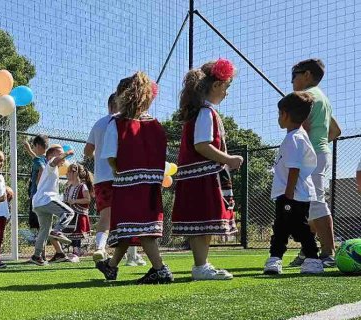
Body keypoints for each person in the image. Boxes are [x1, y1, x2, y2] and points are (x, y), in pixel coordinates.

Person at [96, 72, 173, 284]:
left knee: (138, 227)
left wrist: (117, 170)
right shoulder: (155, 125)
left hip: (127, 183)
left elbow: (111, 155)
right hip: (151, 184)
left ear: (123, 96)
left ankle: (160, 269)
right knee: (128, 227)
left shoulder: (118, 123)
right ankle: (111, 266)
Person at [171, 59, 245, 281]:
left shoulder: (199, 113)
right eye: (226, 87)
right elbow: (202, 145)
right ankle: (200, 266)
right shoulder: (205, 113)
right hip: (202, 177)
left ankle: (201, 264)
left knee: (201, 224)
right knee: (203, 223)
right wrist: (228, 159)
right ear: (215, 86)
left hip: (197, 176)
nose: (226, 93)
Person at [289, 58, 342, 268]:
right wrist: (319, 145)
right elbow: (336, 131)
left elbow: (302, 128)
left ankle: (329, 253)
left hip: (309, 157)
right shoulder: (324, 99)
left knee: (316, 202)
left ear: (307, 75)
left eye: (295, 76)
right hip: (318, 154)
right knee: (307, 203)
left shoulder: (307, 97)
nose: (292, 81)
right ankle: (307, 249)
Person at [263, 92, 322, 275]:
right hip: (294, 194)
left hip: (292, 194)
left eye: (279, 114)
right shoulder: (298, 136)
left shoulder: (294, 138)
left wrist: (288, 193)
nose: (278, 118)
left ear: (285, 115)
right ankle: (275, 259)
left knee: (296, 228)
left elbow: (294, 168)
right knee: (282, 227)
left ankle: (312, 259)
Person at [84, 94, 146, 266]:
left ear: (109, 105)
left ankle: (100, 247)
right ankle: (132, 256)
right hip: (123, 176)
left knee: (105, 217)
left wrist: (99, 156)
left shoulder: (98, 124)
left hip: (102, 178)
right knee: (130, 217)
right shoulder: (125, 123)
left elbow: (87, 151)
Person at [29, 144, 75, 266]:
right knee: (69, 212)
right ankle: (57, 231)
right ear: (50, 156)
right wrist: (67, 153)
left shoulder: (51, 171)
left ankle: (36, 256)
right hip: (46, 199)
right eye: (59, 153)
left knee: (44, 230)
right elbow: (55, 160)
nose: (62, 157)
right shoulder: (50, 164)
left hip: (38, 203)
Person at [63, 164, 93, 258]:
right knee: (70, 232)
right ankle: (74, 251)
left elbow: (87, 199)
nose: (66, 174)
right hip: (70, 214)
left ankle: (77, 250)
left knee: (77, 234)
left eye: (68, 172)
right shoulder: (68, 187)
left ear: (75, 173)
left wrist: (75, 201)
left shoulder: (82, 186)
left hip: (79, 214)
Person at [24, 134, 49, 236]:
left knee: (39, 224)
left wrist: (38, 184)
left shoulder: (40, 161)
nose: (33, 149)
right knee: (44, 225)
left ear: (38, 146)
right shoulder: (47, 159)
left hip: (36, 196)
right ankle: (43, 251)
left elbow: (41, 168)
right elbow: (37, 159)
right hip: (45, 196)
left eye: (34, 147)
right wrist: (29, 150)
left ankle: (40, 250)